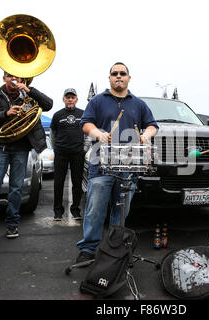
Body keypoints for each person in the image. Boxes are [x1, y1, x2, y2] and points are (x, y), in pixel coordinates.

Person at [76, 62, 158, 263]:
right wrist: (98, 134)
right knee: (95, 209)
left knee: (121, 211)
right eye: (115, 73)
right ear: (110, 78)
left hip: (129, 168)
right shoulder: (97, 101)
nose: (119, 76)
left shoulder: (138, 104)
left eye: (123, 73)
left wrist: (145, 136)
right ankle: (88, 249)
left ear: (129, 78)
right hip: (101, 164)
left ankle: (114, 248)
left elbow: (152, 126)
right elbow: (85, 123)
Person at [0, 72, 53, 240]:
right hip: (0, 146)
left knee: (16, 187)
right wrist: (6, 114)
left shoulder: (29, 96)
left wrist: (29, 90)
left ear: (22, 79)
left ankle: (12, 224)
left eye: (18, 77)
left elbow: (48, 104)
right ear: (4, 78)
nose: (14, 79)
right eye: (10, 76)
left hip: (21, 147)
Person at [50, 88, 85, 221]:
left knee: (77, 183)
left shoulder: (83, 114)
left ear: (76, 99)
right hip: (61, 153)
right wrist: (56, 149)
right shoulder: (57, 115)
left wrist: (85, 148)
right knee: (58, 183)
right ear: (63, 99)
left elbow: (87, 132)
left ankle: (75, 210)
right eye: (67, 97)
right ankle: (58, 211)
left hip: (78, 153)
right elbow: (52, 134)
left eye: (72, 97)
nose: (70, 99)